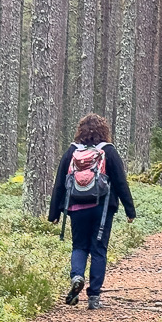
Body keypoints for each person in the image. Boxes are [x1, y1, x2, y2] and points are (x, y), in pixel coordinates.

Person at [48, 114, 136, 310]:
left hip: (76, 208)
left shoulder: (72, 151)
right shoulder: (108, 151)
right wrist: (130, 210)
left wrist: (54, 214)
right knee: (98, 250)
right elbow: (121, 182)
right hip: (102, 209)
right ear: (104, 131)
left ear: (80, 131)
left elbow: (59, 184)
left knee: (79, 246)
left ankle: (77, 275)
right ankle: (94, 297)